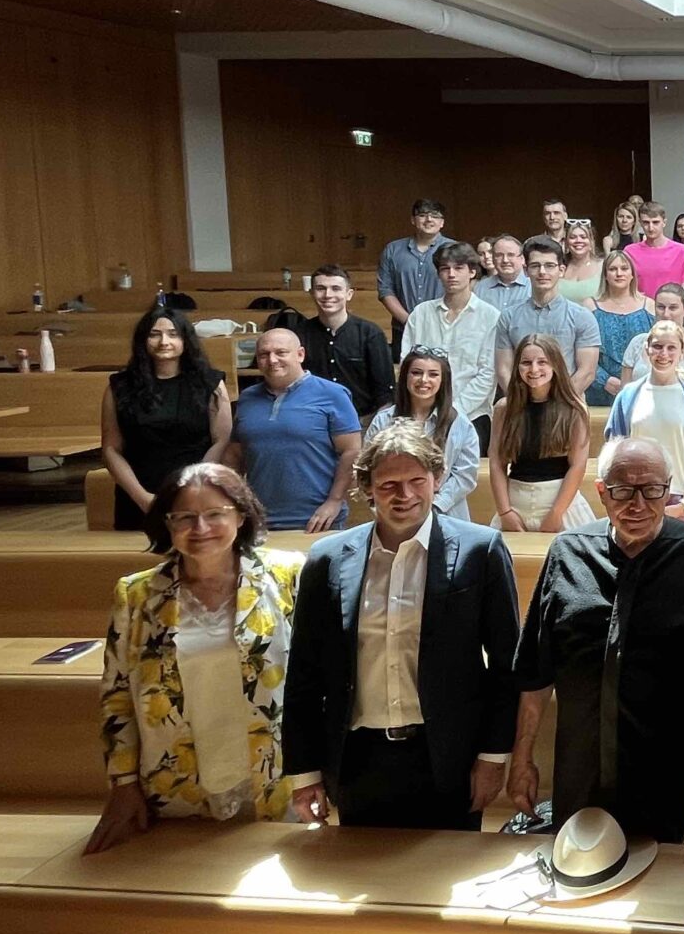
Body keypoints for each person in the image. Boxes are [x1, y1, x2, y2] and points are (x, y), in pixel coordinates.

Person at [283, 423, 520, 830]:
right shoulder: (327, 559)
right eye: (389, 484)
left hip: (448, 756)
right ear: (367, 488)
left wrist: (493, 757)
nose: (404, 495)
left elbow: (506, 665)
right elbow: (304, 672)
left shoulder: (481, 551)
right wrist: (305, 774)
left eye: (416, 481)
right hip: (360, 759)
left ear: (436, 479)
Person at [508, 437, 684, 843]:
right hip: (579, 774)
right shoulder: (568, 552)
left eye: (652, 490)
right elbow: (536, 671)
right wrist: (522, 758)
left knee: (656, 875)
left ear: (669, 490)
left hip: (662, 777)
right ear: (601, 491)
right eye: (623, 491)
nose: (638, 505)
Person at [86, 464, 302, 852]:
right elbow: (116, 697)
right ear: (167, 523)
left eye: (215, 514)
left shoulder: (289, 576)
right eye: (184, 517)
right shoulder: (136, 594)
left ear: (241, 515)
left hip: (276, 780)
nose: (200, 528)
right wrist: (123, 783)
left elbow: (318, 681)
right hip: (176, 783)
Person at [101, 305, 231, 529]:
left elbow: (222, 440)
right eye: (154, 334)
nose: (164, 342)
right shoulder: (119, 386)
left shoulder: (210, 383)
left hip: (196, 494)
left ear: (185, 340)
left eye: (173, 334)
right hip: (137, 496)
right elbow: (111, 449)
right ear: (142, 340)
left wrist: (189, 490)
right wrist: (144, 499)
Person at [224, 328, 360, 532]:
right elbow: (235, 455)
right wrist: (233, 502)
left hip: (317, 521)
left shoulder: (333, 394)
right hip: (258, 521)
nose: (272, 360)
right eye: (264, 354)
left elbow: (352, 451)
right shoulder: (247, 398)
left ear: (300, 354)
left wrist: (334, 501)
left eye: (281, 352)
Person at [601, 320, 684, 530]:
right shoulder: (628, 396)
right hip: (639, 500)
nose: (664, 354)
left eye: (671, 348)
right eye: (658, 346)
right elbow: (613, 451)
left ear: (682, 353)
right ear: (647, 349)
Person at [490, 333, 594, 534]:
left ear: (555, 365)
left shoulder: (574, 410)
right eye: (526, 363)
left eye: (542, 362)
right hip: (514, 504)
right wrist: (505, 512)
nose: (534, 369)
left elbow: (578, 465)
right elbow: (496, 462)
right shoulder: (504, 409)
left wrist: (556, 513)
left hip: (560, 504)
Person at [363, 345, 480, 518]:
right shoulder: (383, 421)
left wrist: (433, 506)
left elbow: (465, 475)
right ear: (405, 376)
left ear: (443, 380)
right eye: (416, 373)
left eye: (433, 374)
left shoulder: (460, 424)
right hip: (395, 513)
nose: (424, 380)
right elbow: (368, 468)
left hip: (446, 515)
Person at [404, 242, 501, 451]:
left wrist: (453, 411)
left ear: (472, 272)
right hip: (422, 415)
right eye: (445, 269)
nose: (451, 275)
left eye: (458, 268)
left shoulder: (490, 317)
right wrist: (431, 410)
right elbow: (407, 363)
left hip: (472, 416)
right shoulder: (421, 314)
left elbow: (488, 373)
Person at [494, 235, 601, 396]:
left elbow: (586, 372)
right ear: (526, 271)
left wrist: (557, 403)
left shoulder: (582, 317)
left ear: (561, 270)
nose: (542, 272)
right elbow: (503, 370)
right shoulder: (508, 317)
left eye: (550, 266)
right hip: (521, 404)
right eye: (535, 266)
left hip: (568, 403)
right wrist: (521, 403)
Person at [301, 264, 394, 420]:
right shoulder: (298, 334)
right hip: (312, 419)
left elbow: (385, 390)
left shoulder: (371, 333)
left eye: (336, 288)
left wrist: (378, 426)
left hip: (362, 420)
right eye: (321, 288)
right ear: (311, 293)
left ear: (349, 294)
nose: (328, 295)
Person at [377, 198, 453, 357]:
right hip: (403, 328)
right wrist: (410, 321)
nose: (429, 219)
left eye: (435, 215)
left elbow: (464, 287)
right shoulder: (393, 250)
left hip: (445, 327)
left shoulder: (454, 249)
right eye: (423, 215)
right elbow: (385, 290)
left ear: (442, 222)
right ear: (413, 220)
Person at [617, 283, 684, 395]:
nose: (666, 314)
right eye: (661, 307)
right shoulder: (637, 343)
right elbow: (625, 394)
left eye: (673, 308)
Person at [585, 251, 652, 410]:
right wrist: (604, 380)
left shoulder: (650, 306)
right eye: (613, 269)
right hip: (599, 390)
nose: (619, 273)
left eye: (624, 268)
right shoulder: (590, 306)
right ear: (605, 275)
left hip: (641, 391)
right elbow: (582, 351)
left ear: (632, 274)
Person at [622, 201, 684, 298]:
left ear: (664, 222)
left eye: (655, 222)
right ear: (640, 223)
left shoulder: (683, 252)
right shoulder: (629, 252)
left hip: (671, 305)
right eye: (646, 222)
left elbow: (683, 288)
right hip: (640, 305)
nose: (651, 228)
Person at [556, 220, 603, 306]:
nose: (578, 240)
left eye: (583, 237)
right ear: (566, 242)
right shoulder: (557, 266)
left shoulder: (602, 266)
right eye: (573, 237)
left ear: (591, 241)